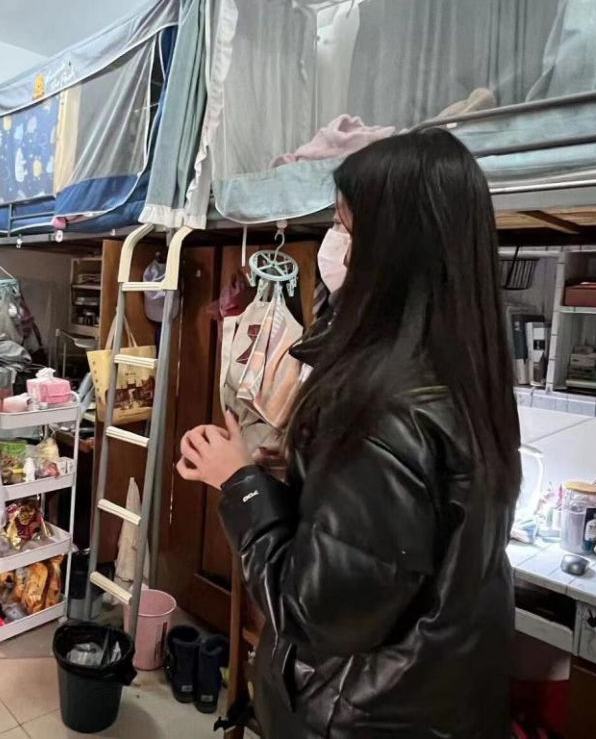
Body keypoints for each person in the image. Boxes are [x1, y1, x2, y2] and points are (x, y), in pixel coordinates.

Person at [176, 129, 521, 738]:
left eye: (345, 226)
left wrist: (239, 482)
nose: (333, 244)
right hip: (433, 704)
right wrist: (309, 475)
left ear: (393, 247)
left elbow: (314, 613)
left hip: (357, 715)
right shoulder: (469, 373)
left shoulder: (384, 410)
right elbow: (390, 541)